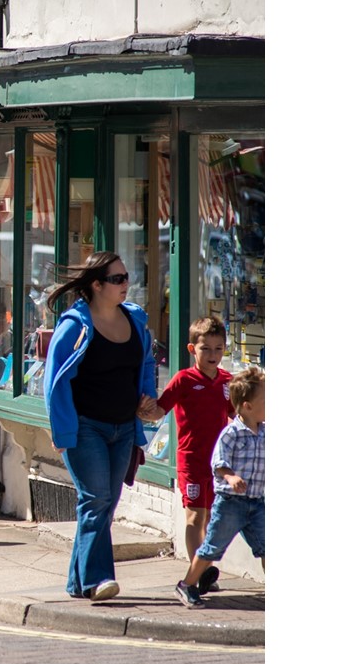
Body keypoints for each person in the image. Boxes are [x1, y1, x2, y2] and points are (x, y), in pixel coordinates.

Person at [42, 251, 156, 601]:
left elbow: (147, 361)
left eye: (126, 277)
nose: (127, 284)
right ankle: (99, 578)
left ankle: (78, 581)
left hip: (123, 427)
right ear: (96, 285)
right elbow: (54, 382)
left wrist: (148, 399)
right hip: (86, 427)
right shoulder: (75, 326)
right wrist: (63, 432)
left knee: (105, 505)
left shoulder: (135, 320)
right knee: (96, 500)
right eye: (118, 279)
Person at [140, 316, 235, 594]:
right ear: (192, 349)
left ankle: (203, 572)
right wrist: (142, 408)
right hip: (191, 460)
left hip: (218, 464)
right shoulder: (183, 379)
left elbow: (238, 415)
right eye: (206, 348)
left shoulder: (227, 382)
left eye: (219, 349)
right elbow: (159, 410)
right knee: (195, 517)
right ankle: (199, 573)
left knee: (210, 520)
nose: (213, 355)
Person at [174, 367, 265, 609]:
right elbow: (218, 462)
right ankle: (187, 585)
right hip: (231, 504)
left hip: (257, 502)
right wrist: (231, 477)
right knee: (212, 547)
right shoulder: (231, 433)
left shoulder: (265, 432)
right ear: (247, 406)